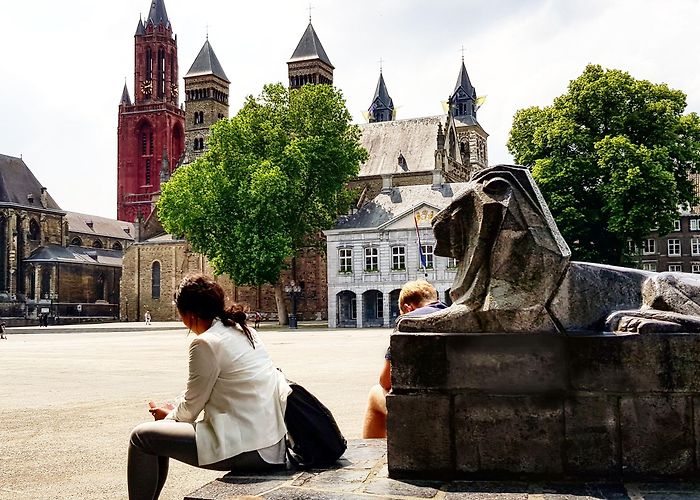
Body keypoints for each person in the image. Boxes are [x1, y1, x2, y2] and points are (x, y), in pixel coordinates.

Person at [127, 274, 291, 500]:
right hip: (271, 444)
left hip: (248, 448)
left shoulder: (205, 343)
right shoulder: (243, 330)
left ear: (189, 315)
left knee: (142, 437)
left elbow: (191, 408)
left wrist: (169, 418)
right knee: (159, 434)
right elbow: (208, 389)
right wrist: (173, 415)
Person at [361, 280, 447, 439]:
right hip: (454, 404)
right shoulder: (453, 315)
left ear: (408, 308)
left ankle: (372, 452)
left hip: (421, 407)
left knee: (375, 392)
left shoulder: (408, 322)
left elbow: (386, 381)